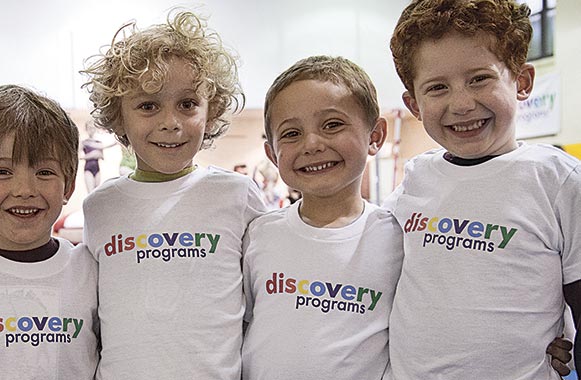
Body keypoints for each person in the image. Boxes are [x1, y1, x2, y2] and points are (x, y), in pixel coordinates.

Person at [383, 0, 581, 378]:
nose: (461, 104)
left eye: (480, 79)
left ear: (522, 81)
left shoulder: (558, 181)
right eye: (437, 87)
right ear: (414, 105)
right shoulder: (415, 178)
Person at [80, 9, 266, 379]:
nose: (170, 122)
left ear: (211, 111)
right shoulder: (100, 207)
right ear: (119, 117)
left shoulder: (237, 195)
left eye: (187, 104)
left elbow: (260, 303)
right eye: (148, 106)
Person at [241, 55, 403, 379]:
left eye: (332, 125)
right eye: (291, 133)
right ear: (272, 154)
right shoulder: (258, 235)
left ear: (375, 136)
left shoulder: (398, 239)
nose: (312, 144)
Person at [0, 85, 99, 379]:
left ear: (69, 186)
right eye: (2, 171)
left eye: (45, 172)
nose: (25, 190)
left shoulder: (91, 271)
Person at [81, 121, 116, 192]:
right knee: (90, 192)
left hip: (97, 169)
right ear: (86, 129)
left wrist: (98, 155)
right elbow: (79, 156)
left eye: (93, 128)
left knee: (96, 192)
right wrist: (91, 155)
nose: (91, 130)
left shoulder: (98, 143)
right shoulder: (84, 142)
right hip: (88, 169)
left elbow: (102, 157)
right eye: (90, 128)